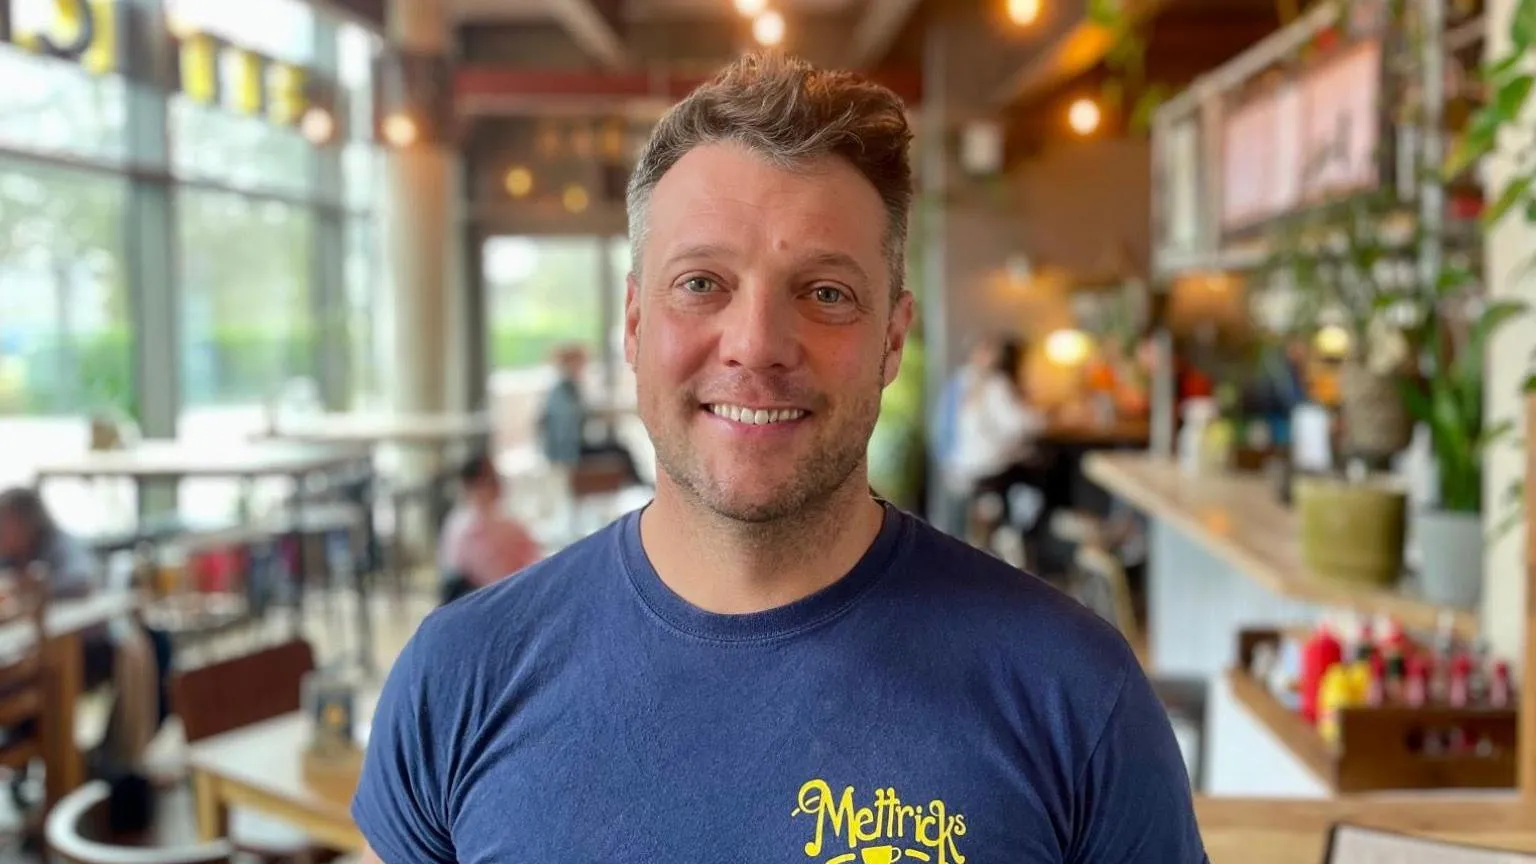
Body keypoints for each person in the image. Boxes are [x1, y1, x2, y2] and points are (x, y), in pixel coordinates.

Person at [354, 54, 1207, 863]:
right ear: (635, 324)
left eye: (827, 293)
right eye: (701, 283)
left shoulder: (1073, 694)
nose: (757, 343)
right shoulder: (459, 676)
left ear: (892, 340)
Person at [0, 488, 169, 772]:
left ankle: (95, 765)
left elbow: (80, 579)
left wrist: (32, 589)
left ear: (25, 521)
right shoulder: (10, 557)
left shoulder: (56, 545)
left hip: (80, 648)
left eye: (5, 523)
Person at [437, 452, 542, 605]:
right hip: (493, 605)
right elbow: (496, 579)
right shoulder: (471, 526)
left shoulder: (462, 520)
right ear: (473, 484)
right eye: (491, 479)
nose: (498, 484)